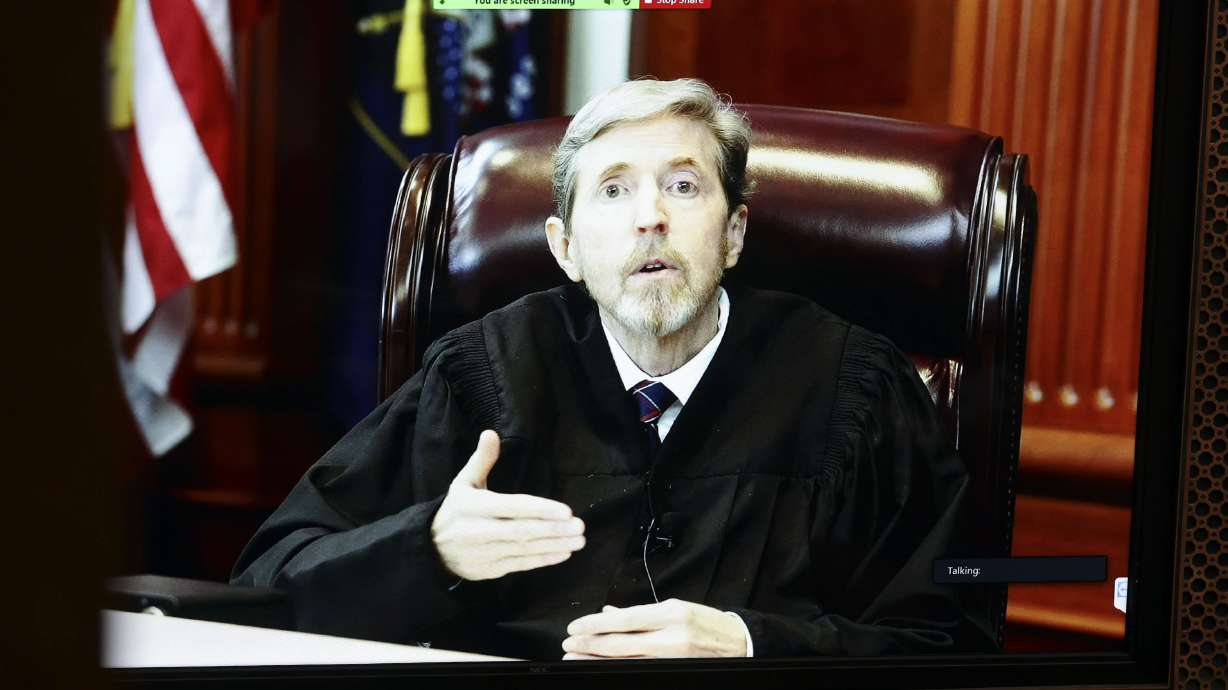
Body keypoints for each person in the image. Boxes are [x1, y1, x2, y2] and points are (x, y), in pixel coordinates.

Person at [232, 78, 996, 660]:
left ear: (734, 233)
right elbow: (269, 581)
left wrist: (753, 646)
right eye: (614, 190)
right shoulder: (479, 377)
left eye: (684, 185)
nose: (650, 217)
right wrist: (428, 548)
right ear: (565, 248)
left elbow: (954, 637)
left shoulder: (851, 388)